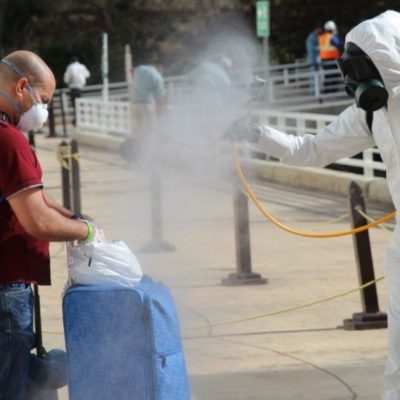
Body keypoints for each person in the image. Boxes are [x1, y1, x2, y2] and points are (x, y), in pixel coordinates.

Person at [225, 10, 400, 399]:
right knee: (399, 361)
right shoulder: (372, 114)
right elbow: (313, 149)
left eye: (364, 67)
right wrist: (257, 135)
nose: (357, 79)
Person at [0, 50, 103, 400]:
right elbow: (37, 220)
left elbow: (33, 197)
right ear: (22, 86)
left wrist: (72, 218)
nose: (42, 110)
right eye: (42, 100)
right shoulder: (8, 140)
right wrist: (87, 233)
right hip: (4, 290)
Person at [122, 59, 165, 163]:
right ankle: (148, 156)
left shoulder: (140, 69)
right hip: (147, 105)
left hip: (135, 104)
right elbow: (160, 97)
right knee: (150, 131)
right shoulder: (157, 76)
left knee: (138, 130)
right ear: (160, 66)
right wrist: (160, 110)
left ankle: (135, 155)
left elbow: (130, 70)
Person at [63, 57, 90, 125]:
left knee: (75, 105)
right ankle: (80, 119)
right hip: (81, 88)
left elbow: (67, 79)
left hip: (73, 88)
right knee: (80, 104)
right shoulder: (82, 66)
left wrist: (68, 81)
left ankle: (77, 120)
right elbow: (87, 75)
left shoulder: (70, 67)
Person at [319, 20, 343, 93]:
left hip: (323, 59)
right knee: (333, 74)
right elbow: (339, 44)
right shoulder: (332, 37)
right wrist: (336, 35)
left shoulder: (322, 37)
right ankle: (331, 90)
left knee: (328, 75)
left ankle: (327, 90)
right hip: (331, 58)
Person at [305, 27, 322, 95]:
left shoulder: (313, 37)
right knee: (313, 77)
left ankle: (314, 91)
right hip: (313, 60)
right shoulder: (312, 38)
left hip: (314, 60)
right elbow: (311, 49)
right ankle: (312, 92)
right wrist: (320, 48)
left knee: (315, 77)